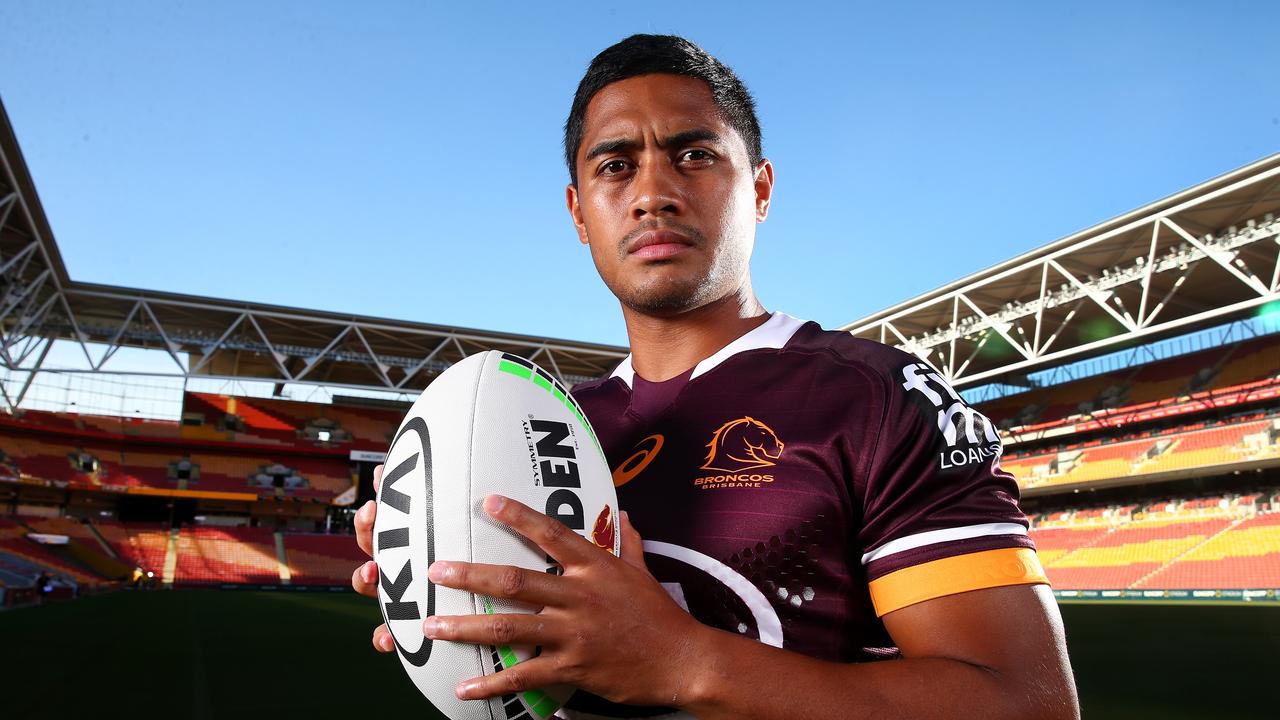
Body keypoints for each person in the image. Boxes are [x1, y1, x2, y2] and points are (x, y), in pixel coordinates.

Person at [353, 34, 1079, 719]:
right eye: (614, 165)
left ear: (760, 189)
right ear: (578, 212)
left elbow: (1027, 702)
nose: (652, 193)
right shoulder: (554, 425)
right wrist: (439, 561)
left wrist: (684, 662)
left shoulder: (877, 398)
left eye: (694, 155)